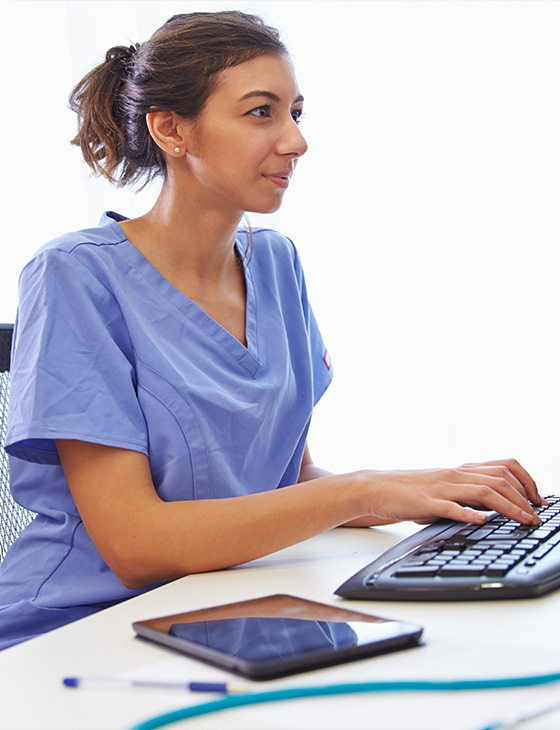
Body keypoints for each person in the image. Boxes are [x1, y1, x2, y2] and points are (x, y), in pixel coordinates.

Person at [0, 11, 544, 651]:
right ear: (172, 129)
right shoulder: (74, 276)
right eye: (261, 113)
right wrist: (361, 490)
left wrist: (420, 493)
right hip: (77, 631)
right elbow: (135, 544)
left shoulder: (277, 261)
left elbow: (292, 482)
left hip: (227, 605)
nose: (295, 140)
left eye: (296, 113)